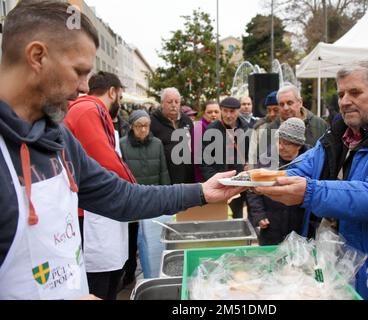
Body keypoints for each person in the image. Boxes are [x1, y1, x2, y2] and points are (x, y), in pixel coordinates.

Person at [0, 0, 245, 300]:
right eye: (79, 71)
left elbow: (122, 197)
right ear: (37, 56)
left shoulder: (59, 139)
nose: (83, 88)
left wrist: (203, 192)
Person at [256, 60, 368, 300]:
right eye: (341, 93)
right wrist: (261, 179)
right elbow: (305, 166)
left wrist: (310, 192)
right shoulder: (339, 135)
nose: (344, 101)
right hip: (339, 264)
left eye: (355, 92)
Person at [64, 71, 134, 300]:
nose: (120, 103)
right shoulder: (88, 110)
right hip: (90, 215)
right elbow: (107, 161)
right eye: (120, 96)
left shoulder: (97, 114)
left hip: (104, 213)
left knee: (112, 276)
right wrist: (135, 192)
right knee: (99, 285)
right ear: (112, 92)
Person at [120, 110, 171, 280]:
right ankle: (129, 271)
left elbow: (163, 170)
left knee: (152, 236)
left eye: (146, 126)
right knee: (131, 238)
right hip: (133, 199)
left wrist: (166, 197)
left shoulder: (156, 143)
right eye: (139, 126)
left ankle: (154, 269)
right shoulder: (122, 145)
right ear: (132, 127)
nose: (143, 129)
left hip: (153, 198)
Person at [247, 118, 309, 245]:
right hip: (271, 226)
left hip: (300, 227)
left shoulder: (310, 161)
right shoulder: (266, 159)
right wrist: (259, 215)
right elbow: (253, 189)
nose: (280, 146)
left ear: (299, 145)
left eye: (286, 143)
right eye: (279, 141)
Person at [201, 97, 250, 219]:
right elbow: (204, 162)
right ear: (221, 110)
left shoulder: (246, 128)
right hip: (221, 184)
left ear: (238, 111)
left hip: (241, 183)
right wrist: (217, 181)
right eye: (225, 111)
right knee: (222, 218)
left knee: (238, 217)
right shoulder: (211, 129)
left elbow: (252, 155)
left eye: (232, 111)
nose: (228, 115)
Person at [150, 88, 195, 184]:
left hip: (187, 176)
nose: (174, 105)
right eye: (170, 102)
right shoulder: (152, 122)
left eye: (177, 102)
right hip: (166, 177)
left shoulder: (187, 121)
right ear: (162, 103)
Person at [266, 85, 328, 151]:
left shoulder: (319, 125)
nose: (286, 108)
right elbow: (264, 159)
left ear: (300, 102)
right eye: (281, 104)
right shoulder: (271, 129)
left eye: (290, 103)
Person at [248, 91, 279, 168]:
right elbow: (252, 155)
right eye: (269, 110)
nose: (272, 114)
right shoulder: (259, 126)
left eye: (276, 110)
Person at [192, 101, 221, 182]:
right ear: (204, 114)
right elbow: (197, 155)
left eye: (216, 112)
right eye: (209, 112)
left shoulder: (221, 126)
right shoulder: (199, 127)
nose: (213, 115)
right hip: (204, 175)